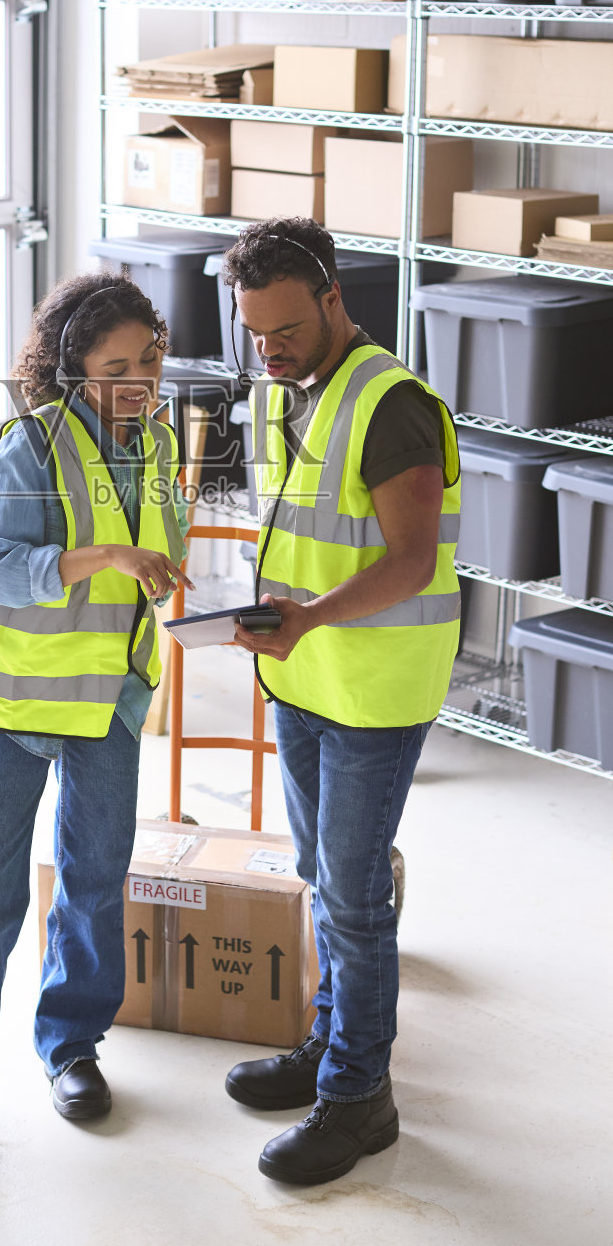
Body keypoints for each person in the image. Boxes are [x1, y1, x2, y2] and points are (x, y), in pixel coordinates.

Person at [0, 272, 191, 1157]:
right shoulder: (27, 447)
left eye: (150, 360)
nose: (138, 382)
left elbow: (159, 555)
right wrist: (104, 554)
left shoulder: (159, 441)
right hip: (16, 707)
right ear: (71, 369)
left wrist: (160, 571)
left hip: (111, 702)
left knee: (96, 883)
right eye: (116, 366)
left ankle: (72, 1046)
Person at [220, 219, 461, 1187]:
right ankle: (329, 1045)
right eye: (253, 335)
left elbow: (408, 558)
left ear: (331, 298)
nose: (268, 352)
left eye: (283, 330)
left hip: (373, 688)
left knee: (357, 902)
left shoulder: (391, 402)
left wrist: (311, 616)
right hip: (310, 675)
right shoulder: (299, 390)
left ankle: (362, 1097)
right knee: (323, 879)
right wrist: (284, 618)